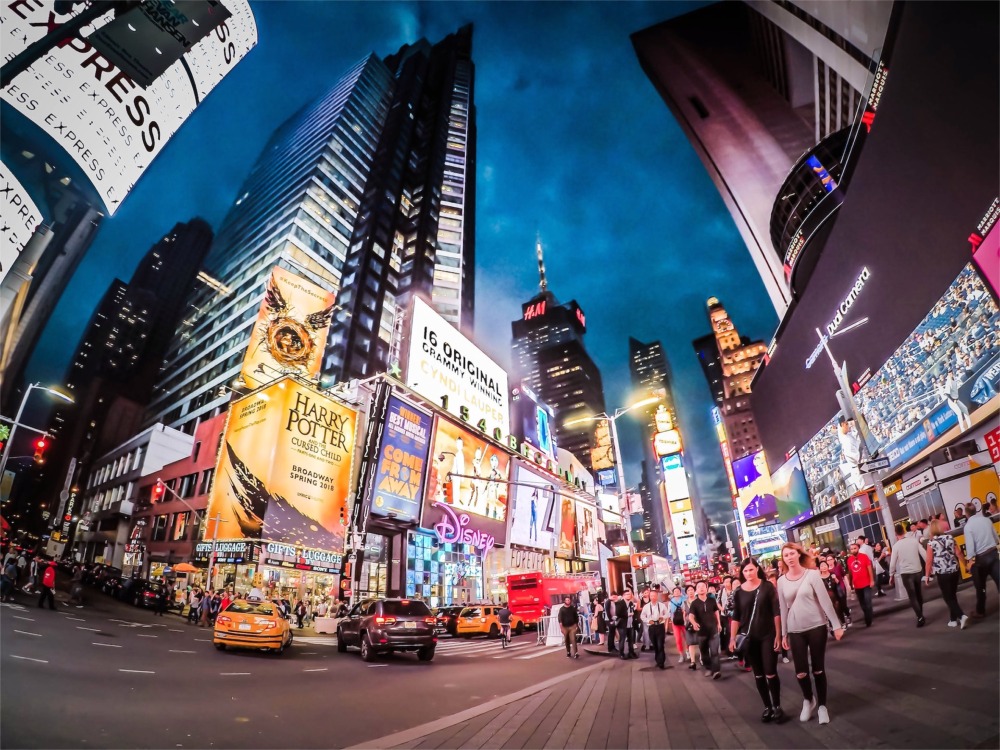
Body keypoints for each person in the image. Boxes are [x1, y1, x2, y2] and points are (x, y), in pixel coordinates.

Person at [778, 543, 843, 725]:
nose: (789, 557)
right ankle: (808, 699)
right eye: (786, 555)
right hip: (795, 629)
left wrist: (836, 625)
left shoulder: (812, 575)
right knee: (800, 671)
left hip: (816, 626)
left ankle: (822, 706)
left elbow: (826, 602)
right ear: (783, 559)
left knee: (818, 668)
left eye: (792, 553)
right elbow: (783, 609)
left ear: (798, 554)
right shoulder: (781, 581)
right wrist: (783, 634)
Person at [730, 558, 783, 723]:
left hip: (768, 635)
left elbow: (776, 612)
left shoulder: (767, 587)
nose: (748, 573)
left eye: (751, 570)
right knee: (758, 674)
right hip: (749, 638)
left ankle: (777, 706)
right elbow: (736, 617)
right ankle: (767, 707)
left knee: (770, 671)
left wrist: (778, 635)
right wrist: (732, 638)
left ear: (757, 569)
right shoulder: (738, 591)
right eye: (745, 571)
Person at [925, 519, 968, 629]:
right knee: (952, 595)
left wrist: (927, 576)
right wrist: (966, 565)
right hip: (954, 570)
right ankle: (953, 620)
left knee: (947, 597)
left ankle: (961, 615)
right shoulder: (950, 538)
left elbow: (929, 561)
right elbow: (958, 553)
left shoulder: (931, 543)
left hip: (943, 573)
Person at [963, 501, 1000, 618]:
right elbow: (996, 537)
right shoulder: (986, 520)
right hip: (993, 554)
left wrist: (970, 561)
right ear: (975, 510)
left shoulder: (968, 526)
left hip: (980, 560)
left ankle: (980, 611)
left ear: (966, 514)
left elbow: (970, 547)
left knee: (980, 587)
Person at [888, 523, 927, 626]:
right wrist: (929, 568)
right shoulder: (914, 541)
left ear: (896, 533)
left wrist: (891, 575)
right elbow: (924, 554)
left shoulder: (896, 546)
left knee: (912, 596)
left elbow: (892, 563)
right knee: (918, 594)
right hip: (918, 571)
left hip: (906, 573)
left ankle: (920, 617)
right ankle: (921, 614)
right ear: (904, 532)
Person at [688, 581, 721, 679]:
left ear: (706, 588)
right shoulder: (694, 603)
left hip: (713, 631)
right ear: (696, 590)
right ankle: (708, 668)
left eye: (703, 586)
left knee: (714, 652)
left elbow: (716, 612)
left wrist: (719, 623)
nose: (701, 588)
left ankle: (716, 671)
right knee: (704, 652)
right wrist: (694, 623)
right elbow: (690, 616)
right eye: (699, 587)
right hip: (702, 632)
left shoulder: (712, 600)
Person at [845, 542, 876, 627]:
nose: (853, 550)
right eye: (851, 549)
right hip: (857, 585)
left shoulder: (864, 556)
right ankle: (867, 615)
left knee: (868, 601)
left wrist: (872, 580)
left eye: (855, 548)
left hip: (866, 583)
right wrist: (850, 584)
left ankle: (868, 619)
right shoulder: (849, 560)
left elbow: (869, 569)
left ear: (858, 548)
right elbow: (850, 572)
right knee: (862, 603)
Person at [640, 587, 671, 669]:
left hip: (660, 626)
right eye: (651, 596)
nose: (653, 597)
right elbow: (642, 616)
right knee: (655, 645)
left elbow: (667, 614)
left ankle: (661, 662)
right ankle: (658, 660)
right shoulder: (646, 606)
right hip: (651, 627)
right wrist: (648, 621)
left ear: (657, 596)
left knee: (660, 644)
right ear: (649, 597)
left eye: (654, 596)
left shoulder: (662, 605)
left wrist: (662, 617)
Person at [615, 590, 639, 660]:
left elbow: (633, 611)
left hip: (630, 624)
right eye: (626, 594)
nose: (628, 595)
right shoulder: (620, 603)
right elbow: (618, 613)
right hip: (622, 624)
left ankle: (631, 653)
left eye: (629, 594)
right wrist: (627, 614)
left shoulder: (631, 603)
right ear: (623, 595)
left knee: (631, 640)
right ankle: (621, 653)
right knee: (622, 639)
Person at [667, 587, 688, 664]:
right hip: (675, 622)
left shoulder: (685, 599)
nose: (676, 592)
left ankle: (688, 651)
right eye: (675, 591)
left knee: (687, 637)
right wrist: (671, 619)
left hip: (684, 622)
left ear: (680, 592)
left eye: (678, 591)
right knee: (678, 639)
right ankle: (681, 654)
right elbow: (669, 612)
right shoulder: (670, 602)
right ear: (673, 593)